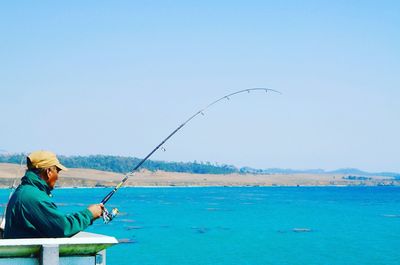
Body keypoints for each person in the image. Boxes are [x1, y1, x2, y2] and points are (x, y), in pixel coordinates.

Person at [3, 150, 104, 239]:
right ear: (48, 172)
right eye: (57, 171)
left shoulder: (25, 192)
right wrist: (90, 214)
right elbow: (63, 228)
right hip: (27, 260)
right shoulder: (33, 197)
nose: (58, 177)